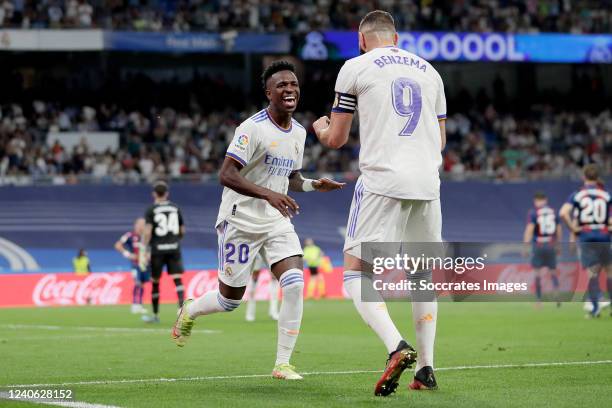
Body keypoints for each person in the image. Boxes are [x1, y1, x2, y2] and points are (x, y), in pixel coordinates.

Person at [171, 60, 344, 380]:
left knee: (293, 284)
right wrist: (267, 194)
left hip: (276, 221)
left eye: (293, 84)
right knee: (229, 300)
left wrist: (311, 185)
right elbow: (226, 174)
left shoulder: (299, 132)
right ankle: (190, 309)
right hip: (240, 220)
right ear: (269, 93)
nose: (289, 89)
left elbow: (290, 178)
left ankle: (282, 363)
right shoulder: (252, 128)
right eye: (281, 85)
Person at [313, 10, 446, 395]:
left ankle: (395, 346)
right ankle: (426, 368)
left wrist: (321, 127)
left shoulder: (355, 66)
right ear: (397, 37)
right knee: (421, 276)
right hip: (428, 184)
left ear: (361, 38)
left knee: (356, 273)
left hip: (383, 181)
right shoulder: (431, 72)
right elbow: (439, 142)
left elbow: (336, 138)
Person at [559, 164, 611, 318]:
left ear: (584, 177)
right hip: (604, 235)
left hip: (587, 236)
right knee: (609, 271)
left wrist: (574, 230)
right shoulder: (606, 194)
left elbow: (563, 213)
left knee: (591, 273)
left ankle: (595, 308)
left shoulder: (578, 195)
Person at [141, 181, 186, 323]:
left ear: (154, 194)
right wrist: (175, 240)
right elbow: (182, 230)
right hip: (174, 248)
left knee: (155, 282)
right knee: (177, 280)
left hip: (157, 250)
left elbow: (147, 232)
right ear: (167, 193)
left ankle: (155, 316)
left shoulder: (151, 209)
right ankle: (182, 312)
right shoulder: (175, 207)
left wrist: (144, 248)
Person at [522, 192, 562, 307]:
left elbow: (530, 230)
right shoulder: (553, 212)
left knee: (537, 273)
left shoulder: (534, 213)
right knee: (553, 271)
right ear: (546, 200)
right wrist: (558, 245)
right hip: (550, 244)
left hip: (539, 245)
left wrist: (525, 246)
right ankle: (557, 293)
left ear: (536, 201)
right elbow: (559, 230)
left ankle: (539, 301)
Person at [115, 217, 150, 314]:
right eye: (141, 224)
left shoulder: (147, 237)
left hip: (145, 264)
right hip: (135, 264)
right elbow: (118, 245)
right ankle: (134, 304)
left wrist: (148, 255)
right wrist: (128, 254)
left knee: (142, 284)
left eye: (144, 224)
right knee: (137, 282)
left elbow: (150, 248)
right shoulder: (129, 235)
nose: (142, 226)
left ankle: (140, 304)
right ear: (136, 225)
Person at [245, 253, 280, 322]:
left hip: (268, 250)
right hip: (256, 251)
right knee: (254, 281)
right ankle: (250, 313)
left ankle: (274, 312)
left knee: (274, 278)